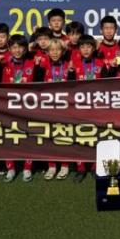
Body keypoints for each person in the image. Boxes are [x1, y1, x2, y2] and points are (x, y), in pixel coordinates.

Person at [0, 34, 43, 183]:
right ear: (9, 48)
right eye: (14, 47)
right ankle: (10, 168)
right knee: (8, 138)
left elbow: (40, 85)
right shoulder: (3, 62)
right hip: (8, 108)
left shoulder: (32, 62)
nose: (17, 50)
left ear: (25, 49)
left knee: (28, 138)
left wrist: (38, 67)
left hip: (28, 108)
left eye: (20, 47)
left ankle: (27, 168)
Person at [66, 34, 109, 182]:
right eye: (82, 47)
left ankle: (95, 166)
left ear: (94, 48)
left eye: (89, 46)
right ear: (78, 49)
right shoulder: (74, 64)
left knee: (98, 138)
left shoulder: (101, 63)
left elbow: (107, 85)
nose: (85, 50)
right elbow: (69, 87)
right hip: (79, 109)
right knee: (79, 138)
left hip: (97, 108)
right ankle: (81, 168)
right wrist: (70, 72)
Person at [43, 38, 73, 180]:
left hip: (65, 109)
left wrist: (71, 72)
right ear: (47, 52)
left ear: (63, 51)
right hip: (47, 108)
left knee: (64, 136)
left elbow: (74, 87)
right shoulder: (43, 65)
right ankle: (51, 166)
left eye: (58, 49)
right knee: (49, 137)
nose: (55, 53)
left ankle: (65, 165)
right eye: (52, 50)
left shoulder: (69, 65)